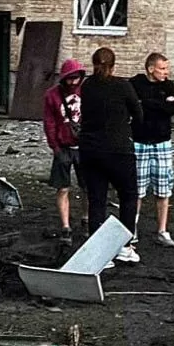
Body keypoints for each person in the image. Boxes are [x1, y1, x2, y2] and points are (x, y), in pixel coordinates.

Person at [77, 47, 143, 265]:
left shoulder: (87, 86)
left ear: (93, 63)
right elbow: (138, 114)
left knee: (97, 200)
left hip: (90, 149)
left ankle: (99, 253)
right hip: (118, 149)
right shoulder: (123, 86)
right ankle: (124, 246)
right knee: (128, 196)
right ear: (114, 65)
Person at [130, 52, 174, 247]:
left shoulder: (169, 86)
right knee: (137, 189)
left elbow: (172, 109)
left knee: (163, 188)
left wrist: (147, 103)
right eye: (162, 68)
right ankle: (131, 229)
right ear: (151, 69)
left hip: (162, 143)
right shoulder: (135, 84)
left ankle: (162, 230)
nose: (166, 72)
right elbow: (134, 107)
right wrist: (160, 104)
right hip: (139, 142)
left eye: (167, 68)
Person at [42, 58, 86, 240]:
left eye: (76, 78)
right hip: (63, 146)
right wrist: (55, 147)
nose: (73, 82)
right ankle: (65, 225)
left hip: (84, 147)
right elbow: (49, 123)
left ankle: (86, 218)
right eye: (70, 78)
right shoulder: (52, 95)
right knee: (62, 188)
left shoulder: (87, 92)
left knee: (87, 186)